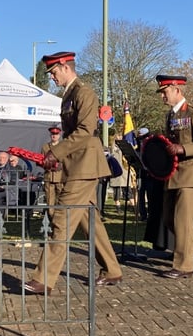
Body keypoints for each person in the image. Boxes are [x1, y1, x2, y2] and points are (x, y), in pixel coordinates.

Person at [23, 51, 123, 295]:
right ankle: (112, 270)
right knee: (91, 223)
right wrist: (59, 158)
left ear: (65, 67)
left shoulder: (84, 93)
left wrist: (56, 153)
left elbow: (85, 130)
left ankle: (43, 279)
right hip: (77, 165)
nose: (52, 77)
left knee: (62, 219)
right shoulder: (68, 96)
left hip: (85, 166)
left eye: (54, 72)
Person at [156, 74, 193, 279]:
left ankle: (183, 267)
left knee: (182, 221)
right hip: (173, 175)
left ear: (176, 89)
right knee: (170, 220)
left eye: (164, 92)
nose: (162, 96)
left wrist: (183, 148)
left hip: (191, 174)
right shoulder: (170, 116)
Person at [41, 125, 64, 221]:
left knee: (61, 199)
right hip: (49, 176)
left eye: (56, 134)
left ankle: (60, 218)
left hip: (60, 177)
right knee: (50, 200)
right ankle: (52, 218)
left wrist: (61, 165)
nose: (54, 136)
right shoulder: (45, 147)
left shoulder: (63, 146)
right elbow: (41, 161)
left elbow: (67, 160)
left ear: (59, 135)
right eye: (52, 134)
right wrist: (47, 165)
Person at [136, 127, 152, 221]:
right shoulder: (138, 144)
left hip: (149, 174)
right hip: (140, 173)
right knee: (140, 195)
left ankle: (150, 214)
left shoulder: (151, 145)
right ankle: (143, 215)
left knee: (150, 195)